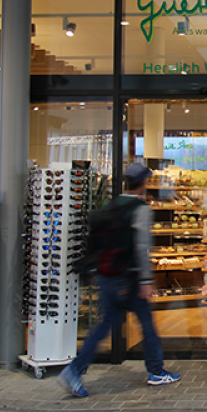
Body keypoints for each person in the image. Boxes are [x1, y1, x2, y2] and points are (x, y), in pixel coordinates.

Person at [58, 162, 181, 397]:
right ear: (143, 183)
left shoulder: (111, 205)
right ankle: (156, 371)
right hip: (129, 279)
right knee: (147, 325)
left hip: (107, 275)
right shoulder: (140, 209)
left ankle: (74, 370)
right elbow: (142, 246)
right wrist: (145, 280)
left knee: (103, 326)